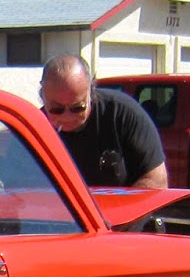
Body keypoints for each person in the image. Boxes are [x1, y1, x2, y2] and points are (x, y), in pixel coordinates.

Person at [39, 54, 168, 189]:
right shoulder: (35, 129)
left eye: (77, 107)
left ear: (90, 91)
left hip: (120, 207)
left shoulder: (122, 113)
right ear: (43, 96)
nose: (67, 117)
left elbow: (156, 180)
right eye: (56, 109)